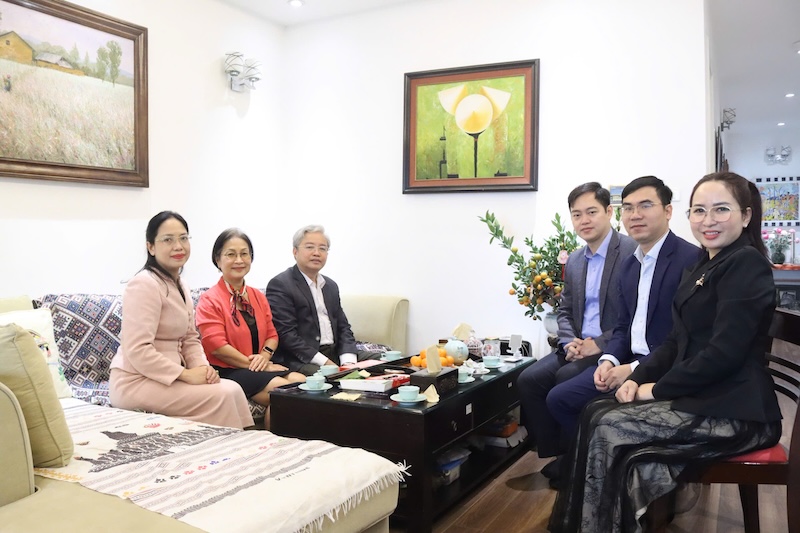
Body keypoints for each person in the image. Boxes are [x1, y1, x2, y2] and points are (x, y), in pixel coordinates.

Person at [549, 172, 782, 533]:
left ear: (746, 215)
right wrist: (637, 376)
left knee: (607, 423)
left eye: (721, 209)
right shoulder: (705, 263)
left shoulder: (745, 263)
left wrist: (654, 389)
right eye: (699, 210)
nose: (708, 220)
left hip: (735, 410)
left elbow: (723, 354)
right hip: (707, 395)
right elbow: (676, 340)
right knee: (595, 411)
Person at [544, 177, 699, 472]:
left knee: (588, 405)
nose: (635, 215)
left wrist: (631, 370)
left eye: (645, 206)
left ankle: (610, 470)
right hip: (628, 359)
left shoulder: (690, 259)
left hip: (665, 367)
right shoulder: (632, 264)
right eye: (628, 208)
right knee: (559, 398)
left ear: (668, 211)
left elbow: (681, 338)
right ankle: (593, 467)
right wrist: (609, 360)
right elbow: (624, 324)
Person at [517, 182, 636, 469]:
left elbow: (634, 316)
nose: (584, 220)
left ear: (609, 212)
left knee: (566, 377)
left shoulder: (631, 252)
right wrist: (569, 341)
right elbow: (565, 310)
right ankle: (561, 452)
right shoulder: (575, 260)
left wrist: (598, 344)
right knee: (528, 380)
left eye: (592, 212)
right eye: (577, 214)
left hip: (613, 348)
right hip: (577, 346)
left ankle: (578, 460)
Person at [109, 211, 254, 429]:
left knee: (233, 389)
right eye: (168, 240)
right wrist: (185, 374)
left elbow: (190, 338)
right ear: (151, 247)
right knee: (223, 395)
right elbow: (137, 350)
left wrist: (203, 369)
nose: (178, 246)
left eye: (183, 238)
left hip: (168, 378)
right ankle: (222, 446)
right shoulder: (143, 284)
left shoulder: (181, 284)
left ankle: (243, 444)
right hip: (136, 381)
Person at [195, 229, 305, 429]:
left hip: (257, 367)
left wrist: (264, 357)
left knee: (302, 382)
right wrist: (258, 365)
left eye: (244, 254)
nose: (239, 260)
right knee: (286, 393)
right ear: (218, 260)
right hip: (228, 369)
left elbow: (272, 334)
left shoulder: (257, 296)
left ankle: (277, 441)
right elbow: (216, 346)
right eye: (231, 254)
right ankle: (273, 444)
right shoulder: (209, 299)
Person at [267, 225, 379, 375]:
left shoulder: (330, 286)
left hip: (334, 353)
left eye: (322, 248)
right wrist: (326, 363)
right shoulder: (281, 284)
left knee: (385, 362)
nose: (316, 253)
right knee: (334, 377)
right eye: (309, 247)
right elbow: (286, 335)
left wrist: (348, 362)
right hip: (302, 358)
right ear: (295, 251)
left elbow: (343, 328)